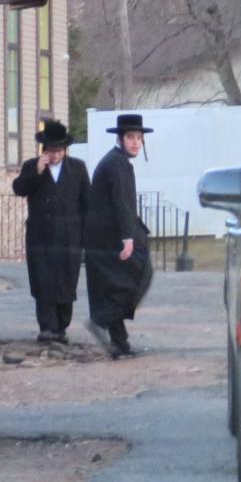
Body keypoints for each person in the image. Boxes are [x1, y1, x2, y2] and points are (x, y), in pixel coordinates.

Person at [84, 113, 155, 359]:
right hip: (110, 237)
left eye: (139, 137)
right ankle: (101, 321)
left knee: (114, 285)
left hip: (104, 236)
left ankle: (120, 343)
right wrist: (128, 238)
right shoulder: (117, 164)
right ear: (120, 138)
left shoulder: (116, 161)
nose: (136, 142)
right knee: (139, 274)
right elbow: (122, 202)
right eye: (130, 137)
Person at [12, 119, 88, 343]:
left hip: (69, 236)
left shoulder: (78, 168)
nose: (54, 155)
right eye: (51, 151)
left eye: (58, 151)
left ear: (65, 150)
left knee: (66, 281)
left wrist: (87, 233)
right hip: (41, 236)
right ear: (44, 150)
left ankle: (62, 326)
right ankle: (47, 327)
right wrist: (37, 172)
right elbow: (19, 188)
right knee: (44, 281)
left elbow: (87, 202)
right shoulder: (32, 166)